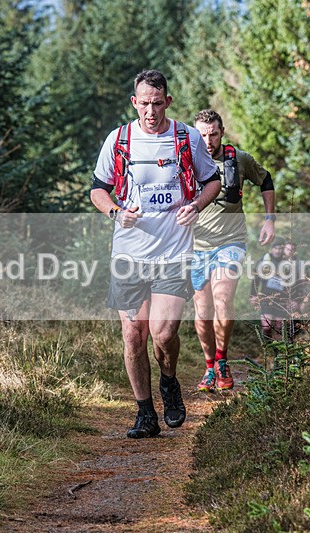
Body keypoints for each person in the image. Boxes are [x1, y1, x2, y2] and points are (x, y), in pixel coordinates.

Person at [90, 70, 221, 438]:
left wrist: (196, 205)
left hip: (173, 251)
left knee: (163, 335)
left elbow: (212, 180)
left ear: (168, 102)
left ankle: (169, 382)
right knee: (133, 334)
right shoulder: (119, 139)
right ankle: (145, 413)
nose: (150, 111)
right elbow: (98, 189)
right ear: (134, 102)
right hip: (129, 254)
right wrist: (115, 212)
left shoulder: (187, 137)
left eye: (157, 103)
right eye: (144, 103)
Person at [190, 109, 275, 392]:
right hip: (196, 245)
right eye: (202, 135)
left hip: (231, 242)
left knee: (223, 299)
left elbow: (266, 179)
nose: (208, 140)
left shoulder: (238, 159)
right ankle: (209, 367)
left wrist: (269, 220)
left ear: (222, 132)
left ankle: (222, 360)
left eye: (213, 134)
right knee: (202, 310)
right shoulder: (186, 160)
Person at [250, 240, 288, 341]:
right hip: (266, 296)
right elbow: (255, 278)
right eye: (276, 248)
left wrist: (293, 298)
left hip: (281, 298)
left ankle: (280, 350)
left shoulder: (287, 262)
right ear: (271, 249)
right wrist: (253, 295)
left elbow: (292, 282)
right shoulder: (265, 260)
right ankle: (267, 349)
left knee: (280, 327)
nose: (278, 251)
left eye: (280, 248)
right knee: (266, 326)